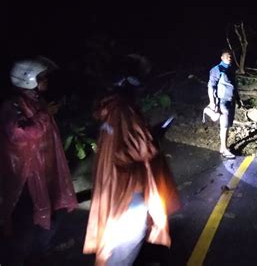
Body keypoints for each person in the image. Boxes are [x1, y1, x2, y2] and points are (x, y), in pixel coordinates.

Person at [83, 75, 180, 266]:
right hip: (127, 183)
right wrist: (152, 138)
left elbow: (124, 141)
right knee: (127, 235)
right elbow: (133, 150)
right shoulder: (123, 111)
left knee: (125, 230)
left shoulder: (111, 108)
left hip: (113, 179)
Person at [0, 58, 78, 265]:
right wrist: (45, 115)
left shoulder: (37, 101)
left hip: (45, 170)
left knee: (53, 212)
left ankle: (39, 255)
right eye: (42, 77)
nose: (46, 81)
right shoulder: (13, 105)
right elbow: (19, 133)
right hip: (26, 175)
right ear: (29, 80)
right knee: (27, 221)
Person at [207, 49, 243, 159]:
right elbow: (210, 86)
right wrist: (212, 102)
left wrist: (238, 99)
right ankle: (225, 149)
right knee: (224, 124)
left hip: (230, 100)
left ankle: (223, 148)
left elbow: (233, 85)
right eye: (227, 56)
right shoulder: (217, 69)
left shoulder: (231, 69)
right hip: (222, 101)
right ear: (222, 58)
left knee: (227, 125)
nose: (230, 58)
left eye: (231, 56)